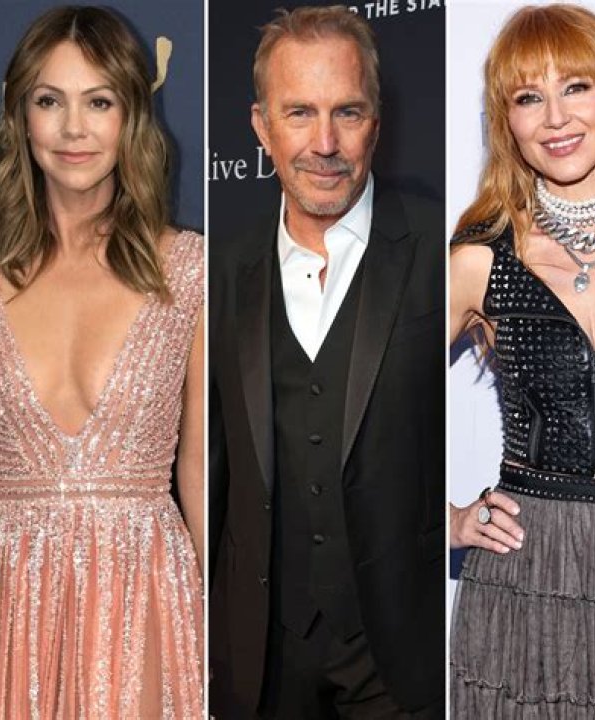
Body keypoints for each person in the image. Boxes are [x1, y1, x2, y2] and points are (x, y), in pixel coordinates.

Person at [449, 3, 595, 717]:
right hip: (532, 559)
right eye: (528, 97)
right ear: (507, 121)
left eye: (576, 87)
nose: (555, 118)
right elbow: (366, 408)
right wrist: (446, 518)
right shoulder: (479, 258)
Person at [0, 6, 203, 717]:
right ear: (20, 118)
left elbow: (198, 471)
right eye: (50, 101)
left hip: (142, 599)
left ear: (131, 117)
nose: (74, 129)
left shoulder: (188, 272)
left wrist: (220, 630)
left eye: (98, 102)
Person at [209, 6, 445, 719]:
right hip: (261, 655)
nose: (324, 143)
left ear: (378, 120)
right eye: (299, 113)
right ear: (261, 127)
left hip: (398, 654)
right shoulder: (219, 270)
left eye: (347, 112)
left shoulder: (441, 244)